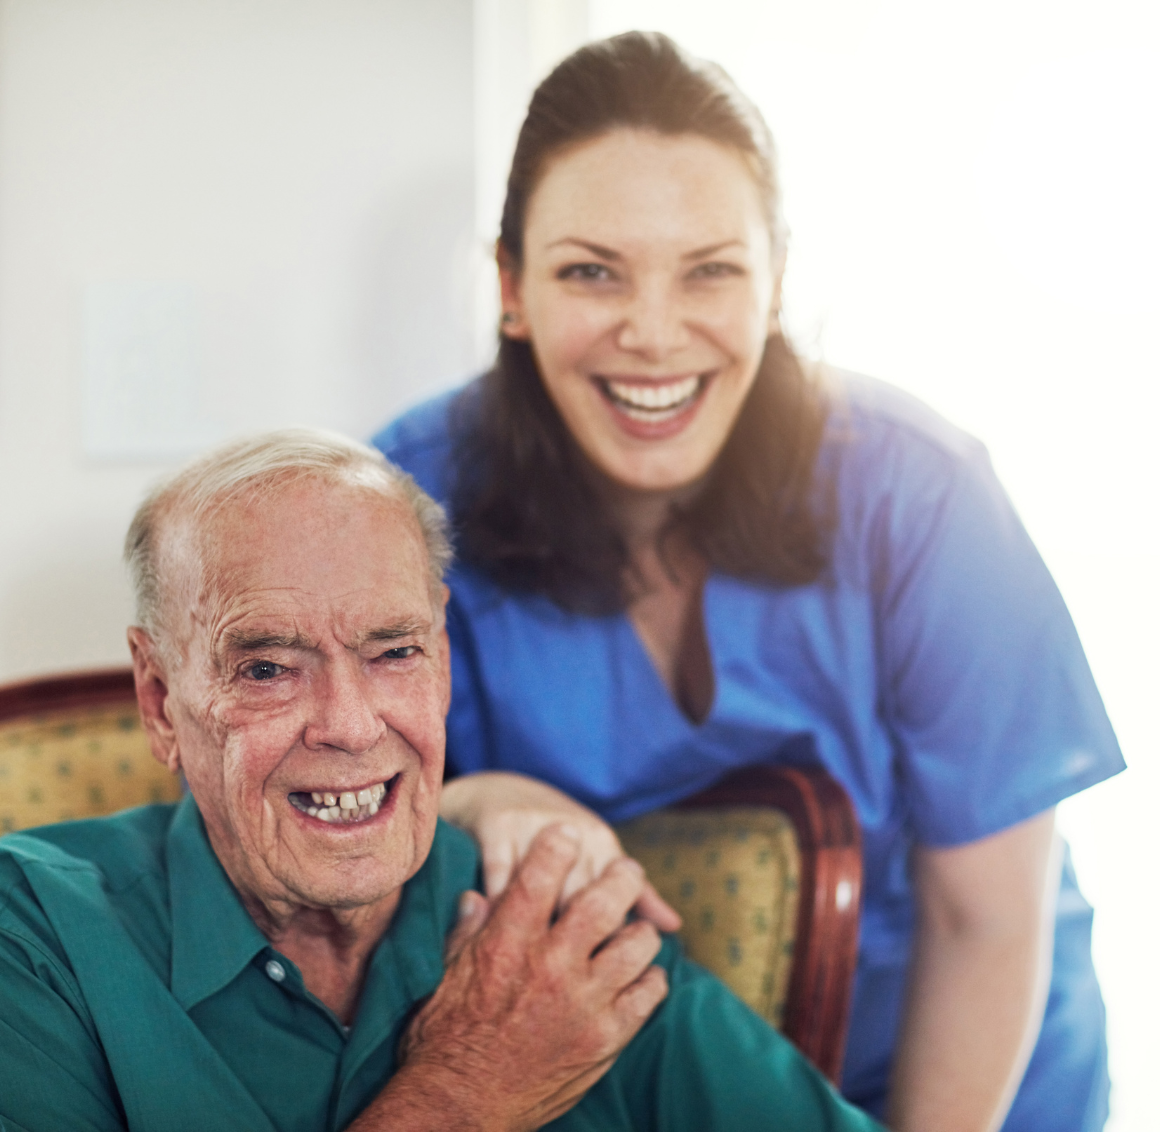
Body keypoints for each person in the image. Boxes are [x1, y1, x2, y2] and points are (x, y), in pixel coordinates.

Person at [372, 31, 1125, 1132]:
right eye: (591, 270)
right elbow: (350, 833)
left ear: (774, 280)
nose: (652, 332)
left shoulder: (919, 491)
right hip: (651, 1094)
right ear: (511, 287)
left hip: (971, 1077)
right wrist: (478, 798)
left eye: (710, 270)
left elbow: (986, 922)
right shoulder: (403, 507)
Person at [0, 429, 883, 1132]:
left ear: (443, 660)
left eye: (394, 652)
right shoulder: (34, 939)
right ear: (160, 702)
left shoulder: (556, 917)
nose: (349, 725)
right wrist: (465, 1093)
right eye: (268, 668)